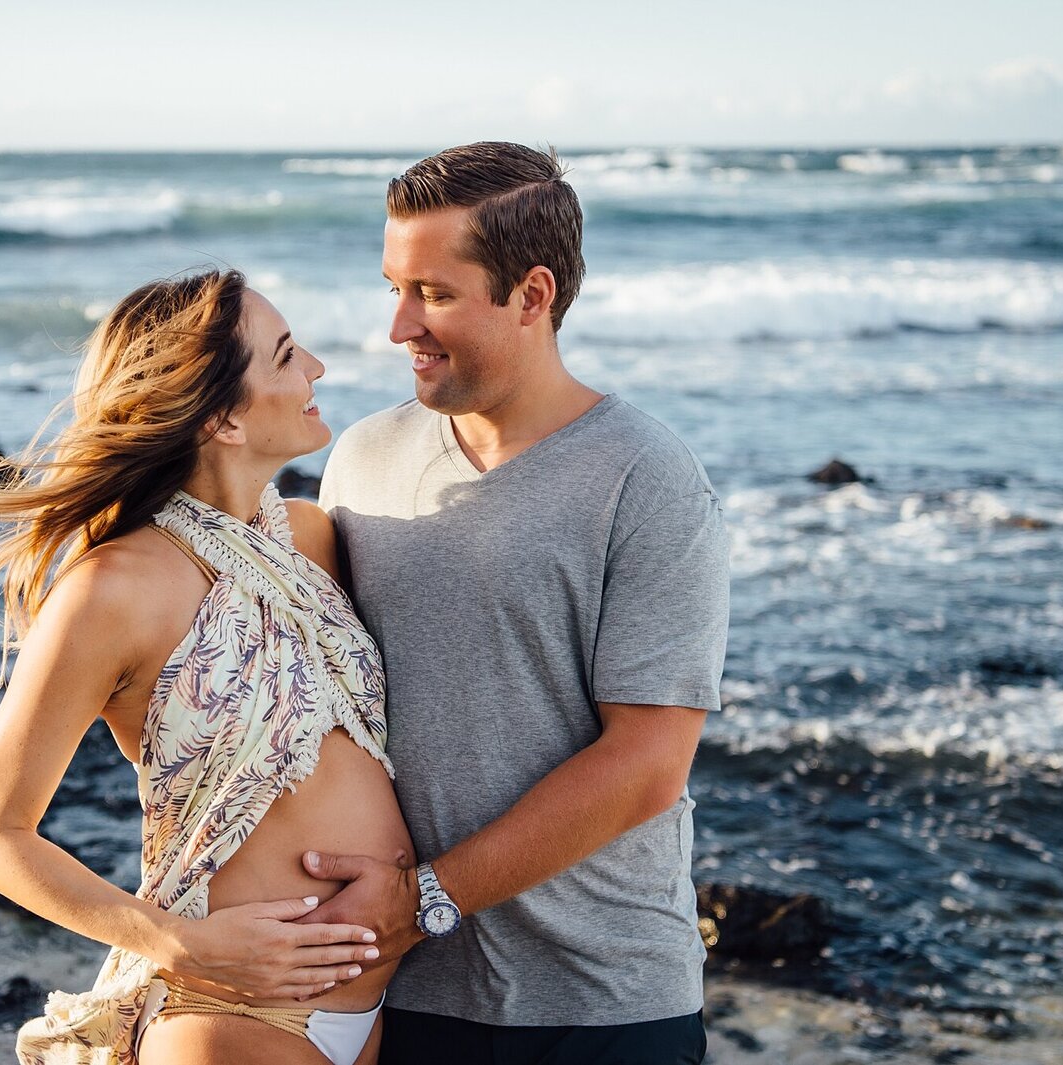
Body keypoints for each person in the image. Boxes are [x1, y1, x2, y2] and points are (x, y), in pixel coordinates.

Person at [0, 269, 412, 1065]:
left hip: (377, 1008)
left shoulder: (310, 538)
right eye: (285, 356)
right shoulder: (113, 590)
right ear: (222, 417)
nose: (317, 366)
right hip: (232, 1020)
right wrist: (179, 942)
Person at [309, 142, 729, 1065]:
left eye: (435, 293)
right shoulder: (362, 460)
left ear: (532, 296)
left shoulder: (647, 478)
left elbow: (648, 761)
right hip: (398, 992)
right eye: (394, 289)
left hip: (603, 1003)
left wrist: (423, 898)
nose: (399, 327)